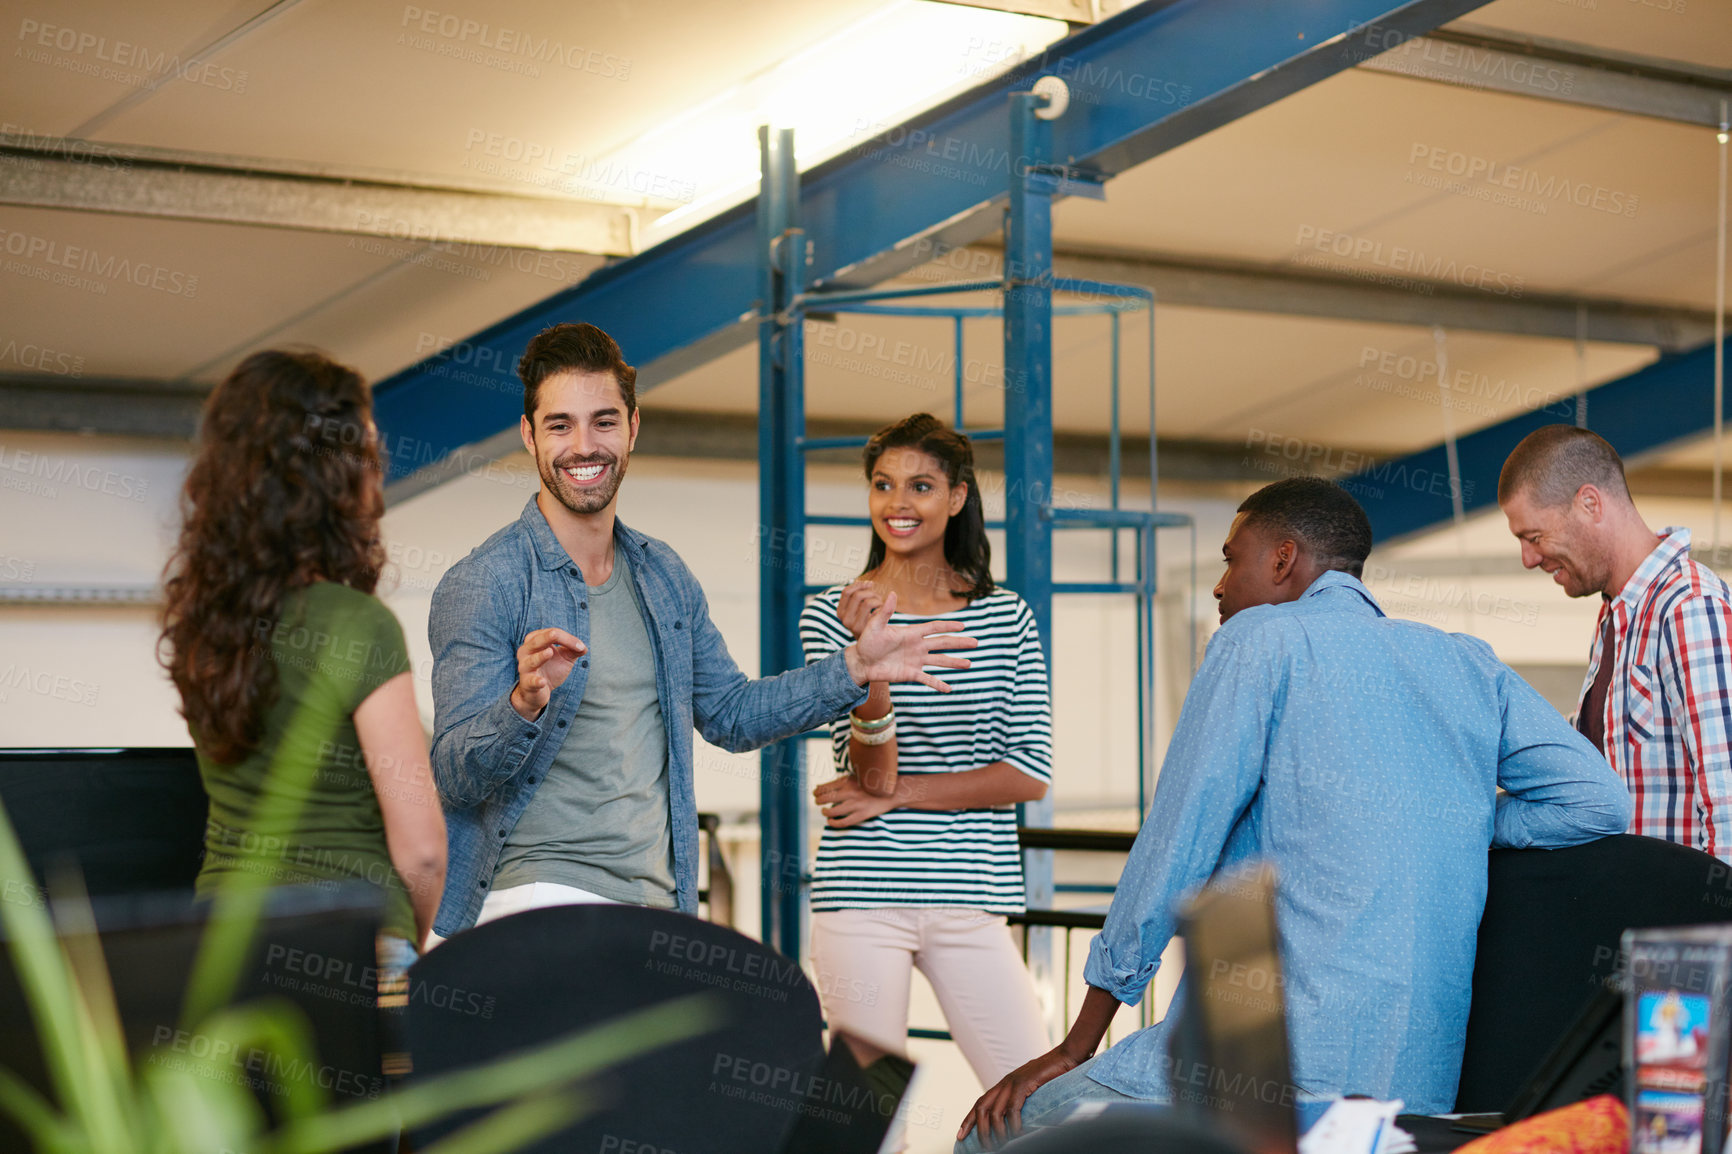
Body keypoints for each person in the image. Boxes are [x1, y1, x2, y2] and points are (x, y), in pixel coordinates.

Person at [957, 477, 1631, 1152]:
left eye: (1231, 559)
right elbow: (1596, 801)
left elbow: (1174, 843)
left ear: (1283, 560)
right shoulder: (1465, 661)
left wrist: (1077, 1043)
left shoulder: (1258, 641)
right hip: (1413, 1092)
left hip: (1259, 1069)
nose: (1220, 587)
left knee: (993, 1139)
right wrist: (1455, 819)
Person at [427, 323, 977, 938]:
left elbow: (732, 714)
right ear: (529, 436)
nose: (585, 445)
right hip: (536, 899)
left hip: (660, 905)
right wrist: (522, 705)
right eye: (561, 425)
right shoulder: (485, 581)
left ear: (633, 427)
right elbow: (454, 774)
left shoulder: (662, 574)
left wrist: (852, 669)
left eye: (604, 422)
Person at [160, 349, 448, 970]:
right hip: (347, 943)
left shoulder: (206, 628)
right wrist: (407, 940)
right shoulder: (357, 624)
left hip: (219, 951)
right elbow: (422, 851)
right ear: (338, 474)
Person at [801, 414, 1052, 1091]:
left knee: (1034, 1099)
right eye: (883, 486)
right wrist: (870, 661)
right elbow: (868, 771)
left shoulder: (1007, 617)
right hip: (863, 894)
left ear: (957, 497)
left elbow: (1028, 773)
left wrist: (901, 794)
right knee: (866, 1120)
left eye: (920, 486)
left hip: (970, 897)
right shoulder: (832, 614)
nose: (898, 505)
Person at [1500, 425, 1732, 860]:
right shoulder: (1617, 616)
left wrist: (1719, 919)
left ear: (1590, 503)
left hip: (1685, 916)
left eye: (1534, 537)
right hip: (1636, 912)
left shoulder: (1688, 605)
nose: (1529, 559)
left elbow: (1727, 785)